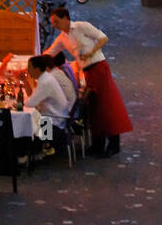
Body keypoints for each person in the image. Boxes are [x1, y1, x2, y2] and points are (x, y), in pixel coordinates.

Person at [50, 9, 132, 157]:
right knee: (93, 107)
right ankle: (97, 145)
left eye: (56, 21)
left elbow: (103, 38)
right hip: (87, 72)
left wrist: (92, 51)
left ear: (65, 18)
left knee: (106, 105)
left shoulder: (81, 26)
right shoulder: (62, 38)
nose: (54, 25)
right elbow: (50, 52)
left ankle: (113, 144)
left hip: (98, 67)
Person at [24, 53, 76, 155]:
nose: (27, 70)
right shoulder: (46, 78)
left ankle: (30, 154)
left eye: (29, 67)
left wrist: (26, 81)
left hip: (55, 122)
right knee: (31, 118)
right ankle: (36, 152)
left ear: (37, 69)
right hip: (59, 116)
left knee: (26, 124)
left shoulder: (45, 81)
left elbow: (30, 103)